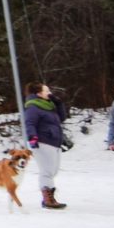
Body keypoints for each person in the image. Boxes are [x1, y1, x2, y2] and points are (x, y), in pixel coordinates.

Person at [23, 81, 73, 211]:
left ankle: (49, 197)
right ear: (38, 93)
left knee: (53, 170)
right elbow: (29, 123)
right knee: (47, 171)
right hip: (42, 142)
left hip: (54, 142)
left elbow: (62, 118)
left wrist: (59, 103)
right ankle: (47, 198)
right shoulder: (33, 107)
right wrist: (32, 137)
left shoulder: (48, 106)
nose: (49, 93)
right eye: (47, 91)